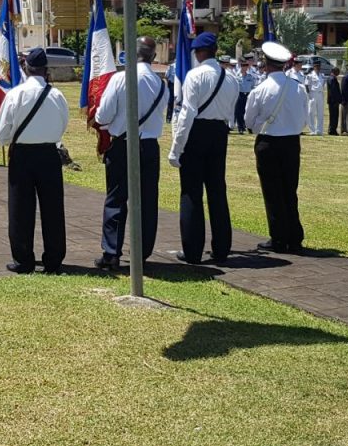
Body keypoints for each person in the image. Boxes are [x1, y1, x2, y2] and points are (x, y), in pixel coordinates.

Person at [94, 35, 168, 271]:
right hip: (150, 146)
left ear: (131, 54)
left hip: (123, 144)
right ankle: (141, 252)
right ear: (153, 56)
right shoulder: (161, 84)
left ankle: (111, 252)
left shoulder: (120, 78)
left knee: (116, 198)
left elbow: (103, 115)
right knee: (147, 200)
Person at [0, 47, 70, 274]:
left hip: (23, 155)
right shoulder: (57, 95)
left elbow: (1, 130)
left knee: (20, 209)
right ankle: (53, 260)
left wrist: (9, 140)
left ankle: (23, 260)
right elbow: (63, 125)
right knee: (53, 209)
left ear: (26, 68)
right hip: (49, 154)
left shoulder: (15, 94)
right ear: (46, 70)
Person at [168, 32, 239, 265]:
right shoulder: (231, 78)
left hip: (197, 131)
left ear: (198, 53)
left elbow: (187, 113)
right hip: (219, 132)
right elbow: (231, 112)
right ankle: (222, 248)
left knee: (191, 192)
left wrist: (176, 148)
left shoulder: (195, 75)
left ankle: (192, 250)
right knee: (217, 191)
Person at [245, 41, 309, 254]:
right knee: (290, 189)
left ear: (266, 64)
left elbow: (248, 121)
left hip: (268, 142)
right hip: (292, 142)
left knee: (272, 192)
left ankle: (279, 237)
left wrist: (261, 126)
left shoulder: (260, 90)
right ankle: (294, 236)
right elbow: (304, 118)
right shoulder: (298, 88)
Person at [235, 56, 257, 134]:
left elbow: (253, 86)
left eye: (246, 65)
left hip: (248, 94)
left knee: (247, 111)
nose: (244, 67)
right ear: (240, 66)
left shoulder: (250, 76)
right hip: (240, 94)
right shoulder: (236, 76)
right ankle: (240, 127)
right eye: (243, 65)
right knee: (239, 111)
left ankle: (248, 126)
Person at [305, 61, 325, 136]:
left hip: (320, 94)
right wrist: (309, 94)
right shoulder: (310, 75)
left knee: (320, 113)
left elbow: (323, 84)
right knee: (311, 112)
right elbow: (306, 85)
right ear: (314, 67)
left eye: (319, 66)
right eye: (316, 66)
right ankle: (312, 130)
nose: (318, 67)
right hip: (313, 94)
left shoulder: (322, 75)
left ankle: (319, 130)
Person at [326, 66, 342, 135]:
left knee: (334, 116)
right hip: (333, 101)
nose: (339, 73)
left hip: (333, 100)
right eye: (338, 71)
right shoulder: (332, 79)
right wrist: (338, 99)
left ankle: (332, 129)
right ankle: (332, 130)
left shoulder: (331, 78)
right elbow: (334, 91)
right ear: (334, 71)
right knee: (334, 116)